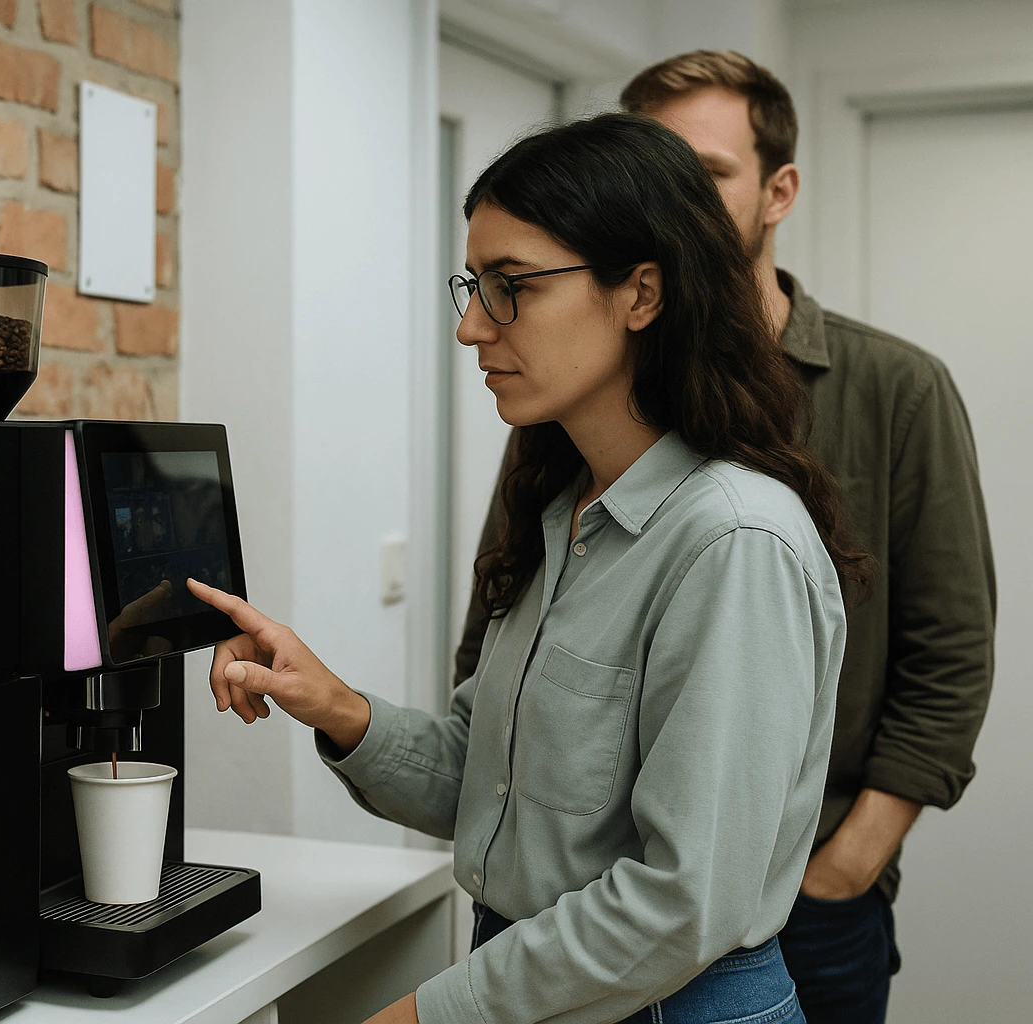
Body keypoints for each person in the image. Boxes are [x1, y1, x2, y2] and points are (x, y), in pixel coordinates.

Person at [189, 112, 866, 1024]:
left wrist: (424, 1015)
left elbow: (680, 903)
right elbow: (493, 787)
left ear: (642, 293)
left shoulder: (733, 540)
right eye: (474, 286)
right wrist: (336, 707)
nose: (472, 326)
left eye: (512, 287)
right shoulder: (567, 510)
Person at [451, 51, 997, 1024]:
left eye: (701, 172)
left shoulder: (874, 403)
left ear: (777, 191)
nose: (672, 197)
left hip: (788, 901)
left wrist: (841, 865)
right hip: (579, 926)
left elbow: (948, 654)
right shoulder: (566, 423)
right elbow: (502, 645)